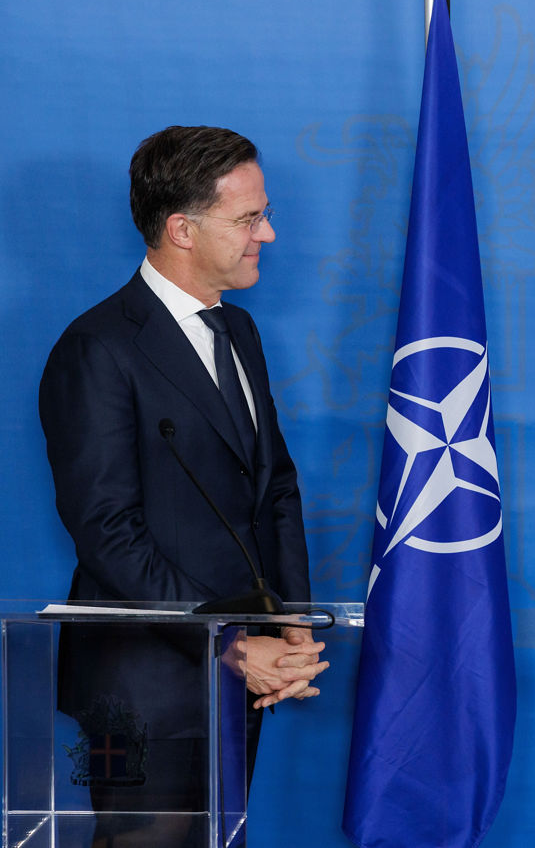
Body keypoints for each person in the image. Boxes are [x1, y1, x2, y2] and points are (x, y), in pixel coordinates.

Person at [39, 125, 329, 846]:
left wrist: (291, 623)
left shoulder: (241, 333)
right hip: (142, 691)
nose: (269, 233)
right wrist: (231, 643)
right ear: (182, 230)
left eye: (263, 213)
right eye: (249, 218)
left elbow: (275, 488)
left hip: (239, 675)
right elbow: (109, 533)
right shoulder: (97, 348)